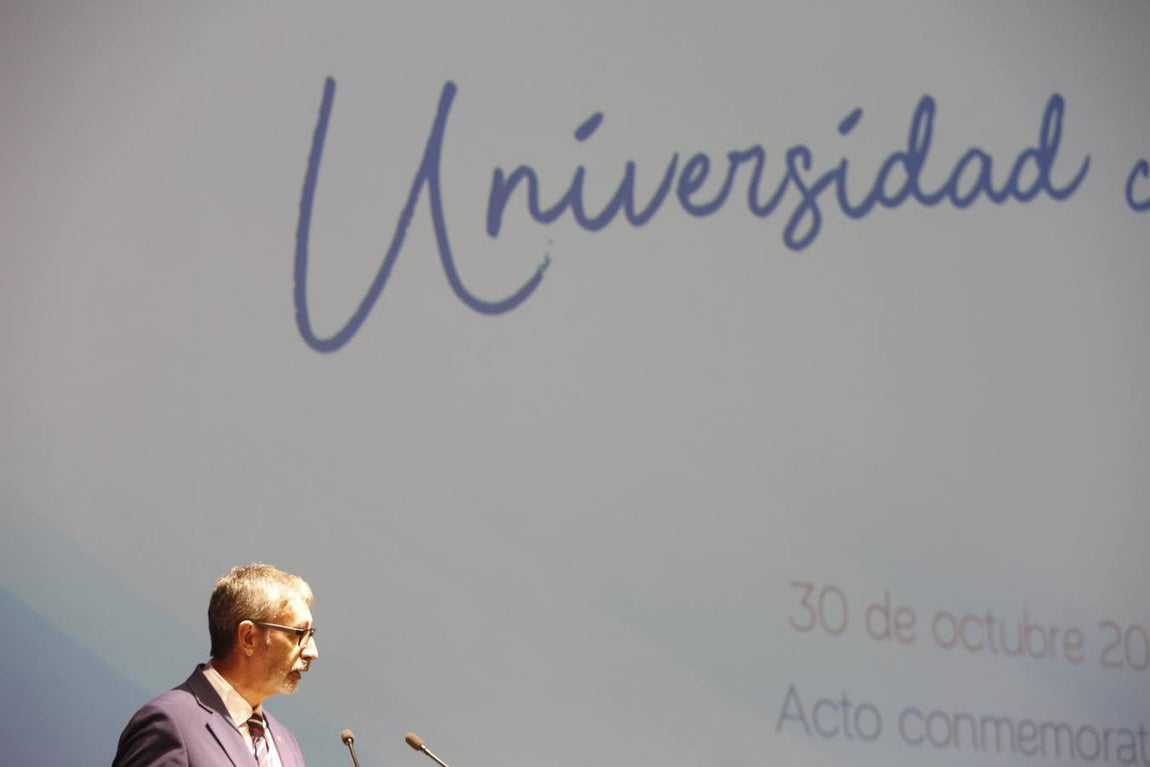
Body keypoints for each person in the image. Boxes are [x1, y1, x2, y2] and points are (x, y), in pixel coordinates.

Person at [112, 563, 319, 766]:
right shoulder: (170, 723)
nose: (312, 652)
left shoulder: (286, 742)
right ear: (248, 637)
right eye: (299, 634)